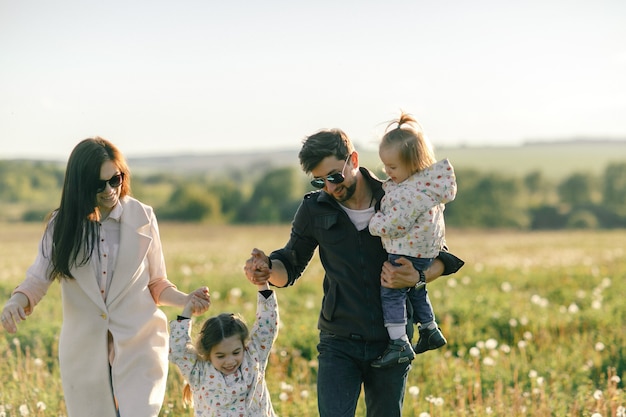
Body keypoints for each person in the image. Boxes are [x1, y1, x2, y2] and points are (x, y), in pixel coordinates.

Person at [243, 128, 464, 417]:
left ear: (354, 159)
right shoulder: (313, 209)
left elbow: (438, 254)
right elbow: (290, 265)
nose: (330, 188)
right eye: (319, 181)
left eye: (335, 176)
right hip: (338, 342)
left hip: (393, 341)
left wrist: (418, 277)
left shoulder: (397, 195)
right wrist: (267, 269)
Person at [0, 137, 211, 417]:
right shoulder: (61, 225)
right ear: (80, 185)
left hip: (139, 343)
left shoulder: (143, 216)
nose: (110, 189)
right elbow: (39, 278)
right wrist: (17, 301)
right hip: (84, 351)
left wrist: (186, 298)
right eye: (99, 184)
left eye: (115, 179)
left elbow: (157, 283)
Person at [368, 112, 457, 368]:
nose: (387, 172)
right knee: (417, 290)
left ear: (414, 163)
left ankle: (398, 343)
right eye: (385, 166)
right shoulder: (426, 188)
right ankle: (429, 329)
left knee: (392, 292)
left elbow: (395, 224)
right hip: (424, 253)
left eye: (393, 167)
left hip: (405, 250)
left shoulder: (409, 193)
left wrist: (374, 223)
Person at [169, 266, 279, 416]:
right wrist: (188, 309)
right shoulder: (199, 372)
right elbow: (179, 348)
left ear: (243, 345)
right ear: (208, 353)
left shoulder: (253, 358)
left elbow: (267, 324)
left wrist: (262, 284)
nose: (230, 361)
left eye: (236, 352)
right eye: (220, 356)